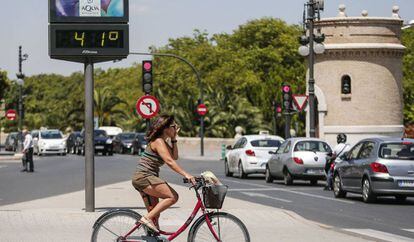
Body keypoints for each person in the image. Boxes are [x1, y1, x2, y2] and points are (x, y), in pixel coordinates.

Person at [131, 115, 195, 233]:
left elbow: (174, 156)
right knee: (173, 197)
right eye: (174, 126)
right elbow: (170, 162)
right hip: (145, 176)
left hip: (147, 177)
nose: (176, 128)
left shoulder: (163, 142)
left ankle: (152, 234)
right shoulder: (158, 141)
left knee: (155, 214)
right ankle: (146, 219)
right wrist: (187, 175)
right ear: (166, 128)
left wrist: (174, 138)